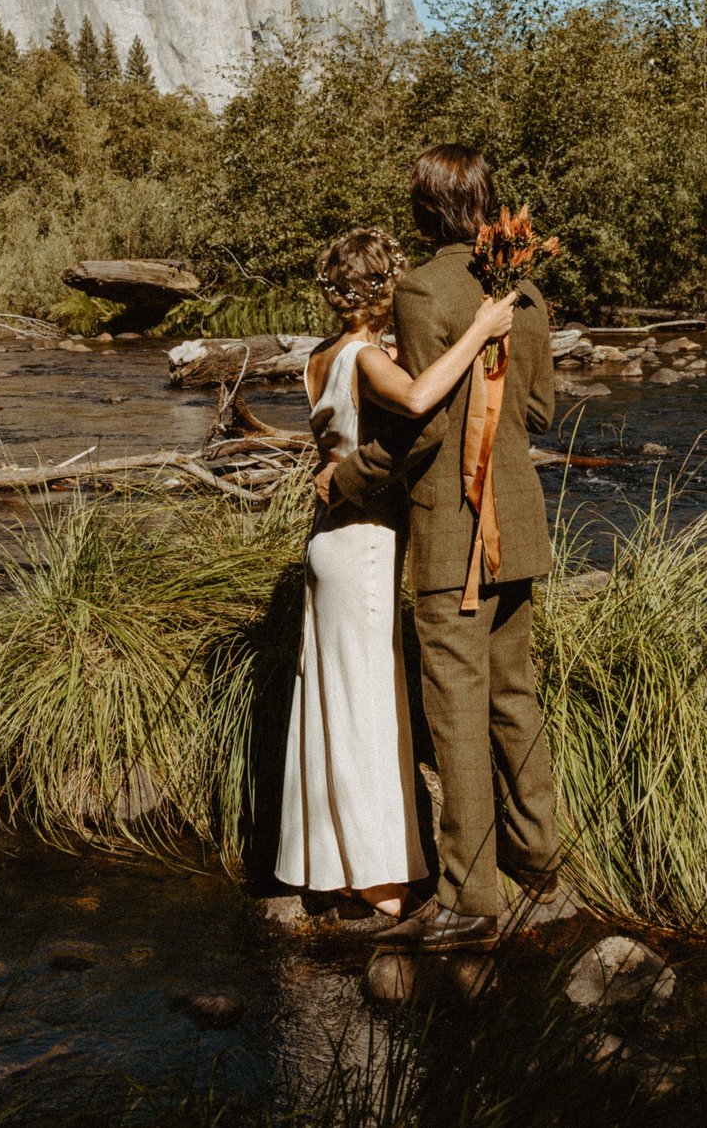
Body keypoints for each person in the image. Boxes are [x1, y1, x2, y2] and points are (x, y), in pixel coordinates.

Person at [323, 144, 561, 952]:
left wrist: (349, 479)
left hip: (453, 531)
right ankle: (540, 865)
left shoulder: (424, 289)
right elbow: (540, 408)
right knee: (513, 697)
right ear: (489, 204)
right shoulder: (524, 290)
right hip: (520, 523)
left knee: (456, 711)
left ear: (426, 210)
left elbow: (418, 436)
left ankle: (470, 898)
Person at [276, 227, 519, 919]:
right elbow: (418, 403)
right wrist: (477, 331)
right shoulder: (363, 358)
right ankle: (380, 881)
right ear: (385, 289)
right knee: (370, 709)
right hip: (364, 545)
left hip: (326, 543)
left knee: (328, 702)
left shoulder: (321, 356)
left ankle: (332, 866)